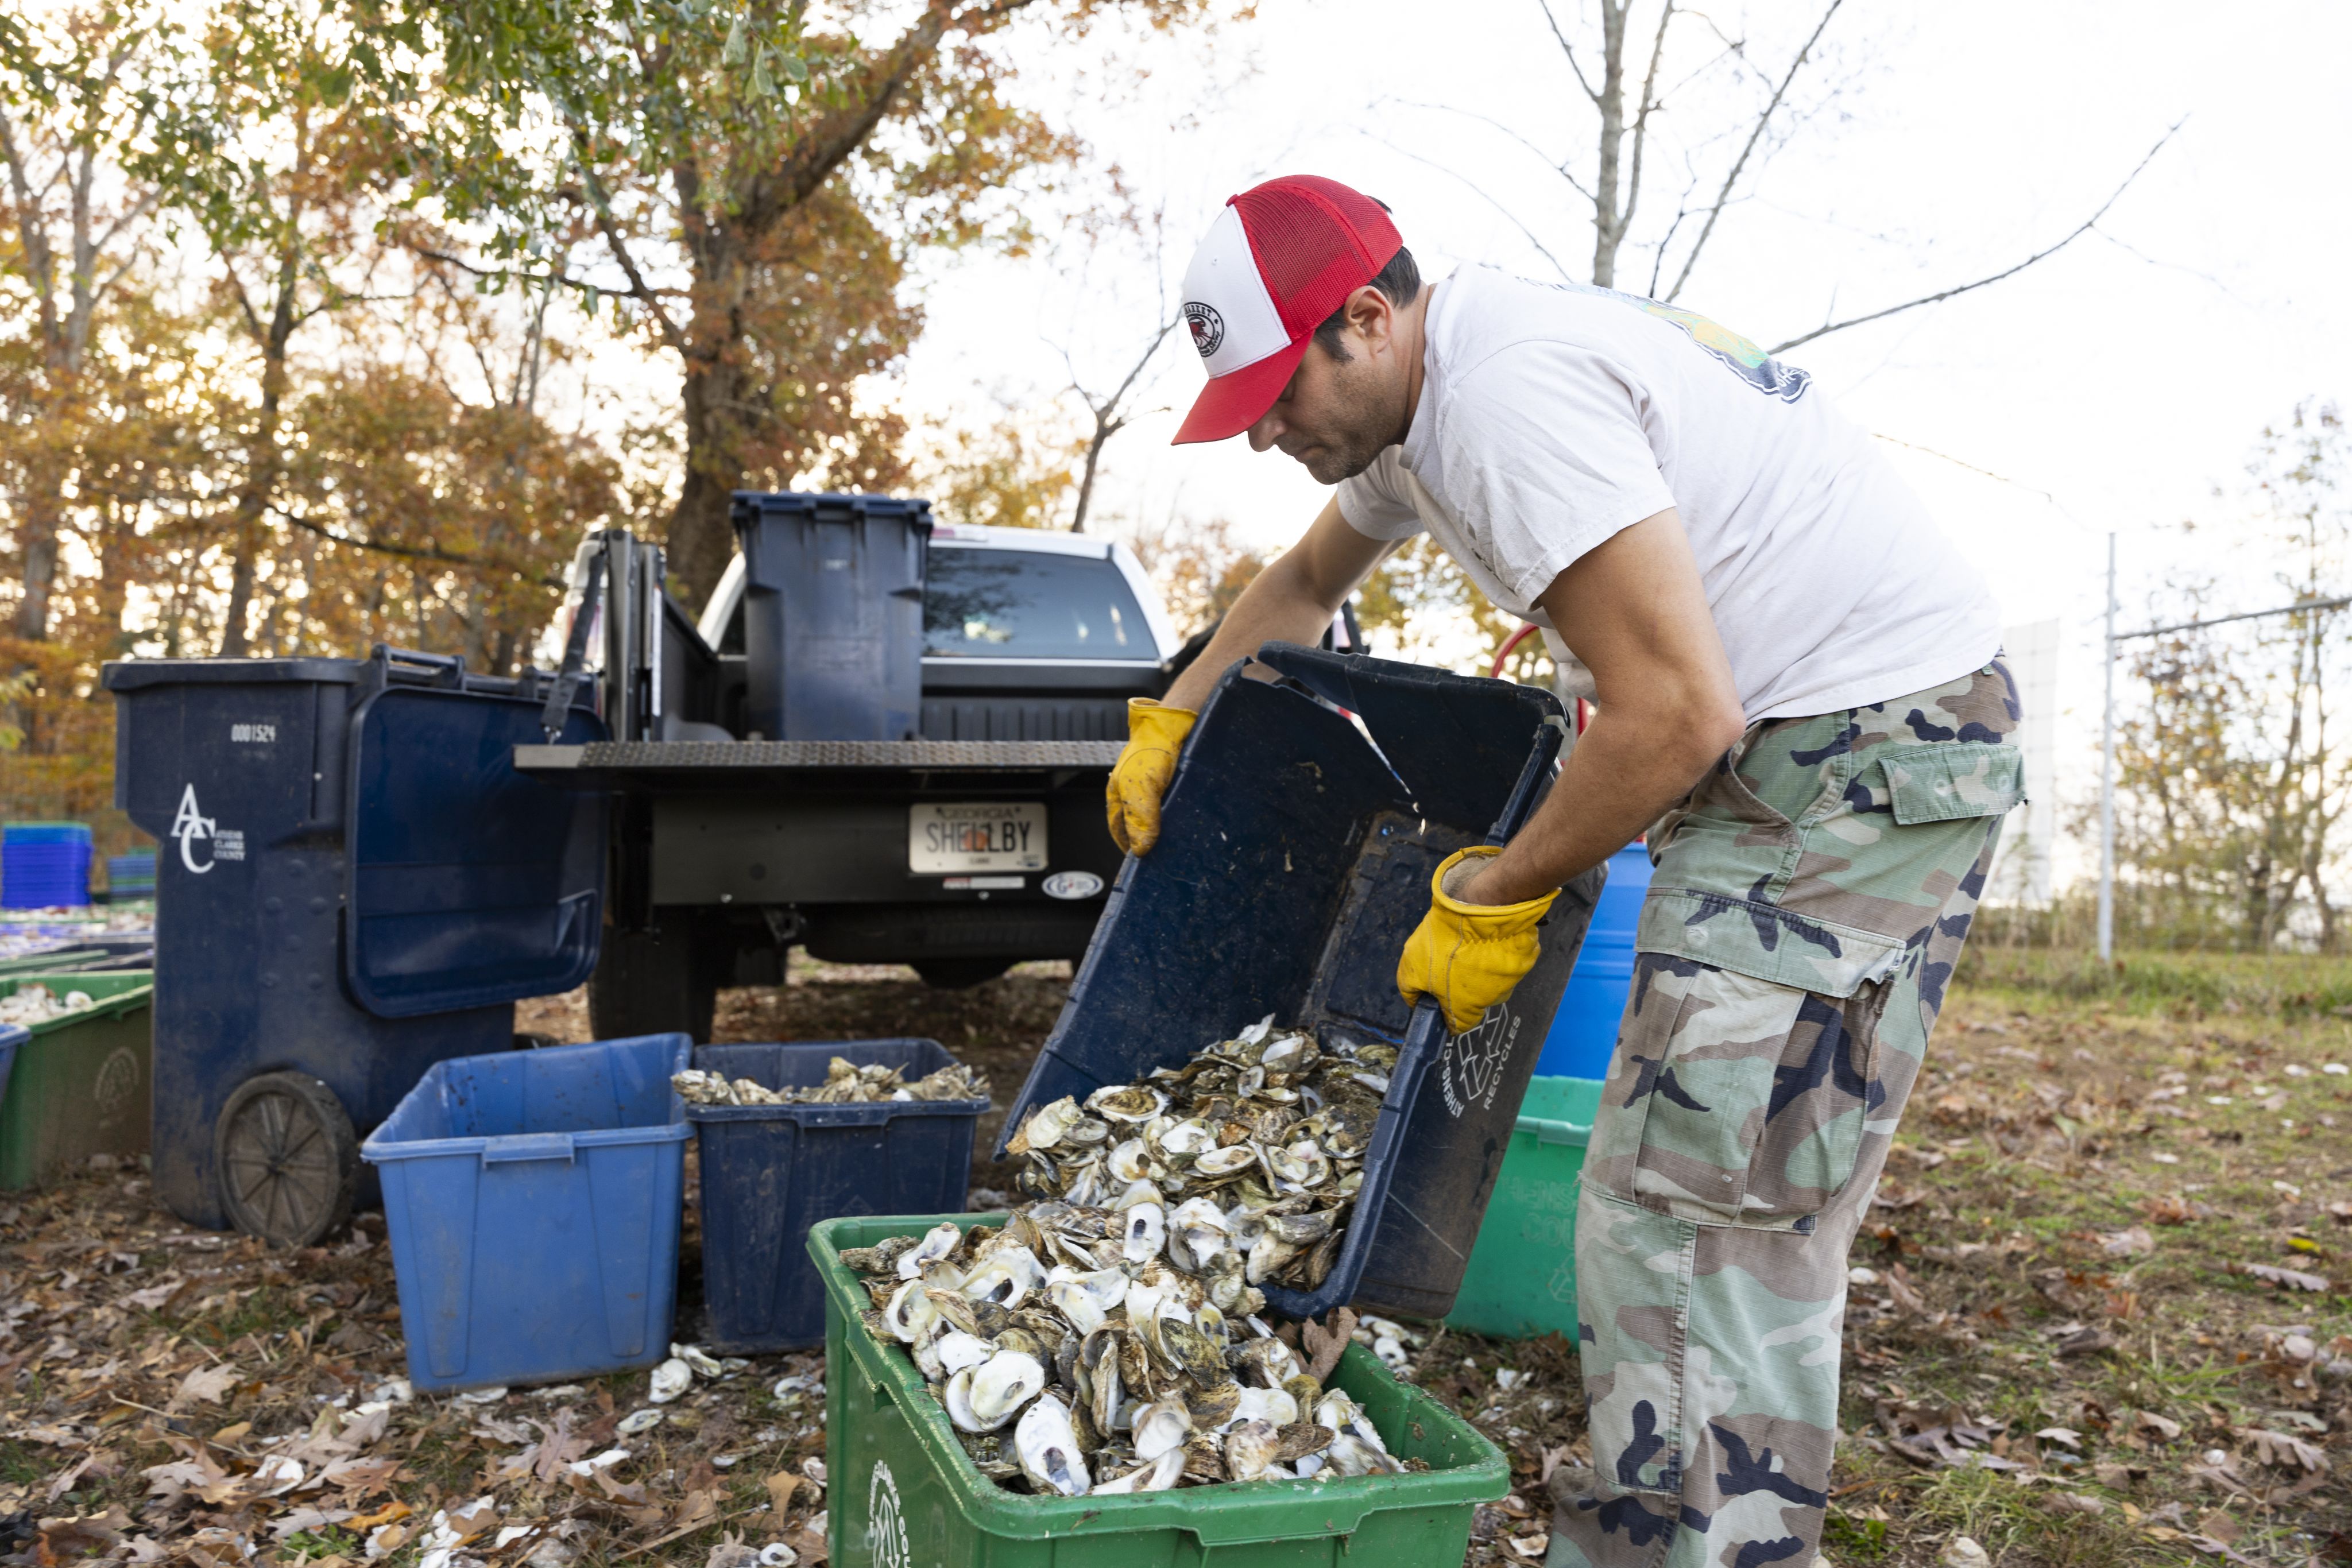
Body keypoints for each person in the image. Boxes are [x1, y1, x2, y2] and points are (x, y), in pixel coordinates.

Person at [1105, 174, 2024, 1568]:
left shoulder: (1502, 403)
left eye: (1276, 396)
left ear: (1365, 319)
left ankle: (1705, 1549)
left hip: (1856, 754)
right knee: (1715, 1198)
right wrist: (1180, 709)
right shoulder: (1417, 411)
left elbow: (1672, 711)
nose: (1265, 434)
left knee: (1690, 1211)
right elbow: (1298, 588)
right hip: (1826, 747)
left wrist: (1497, 888)